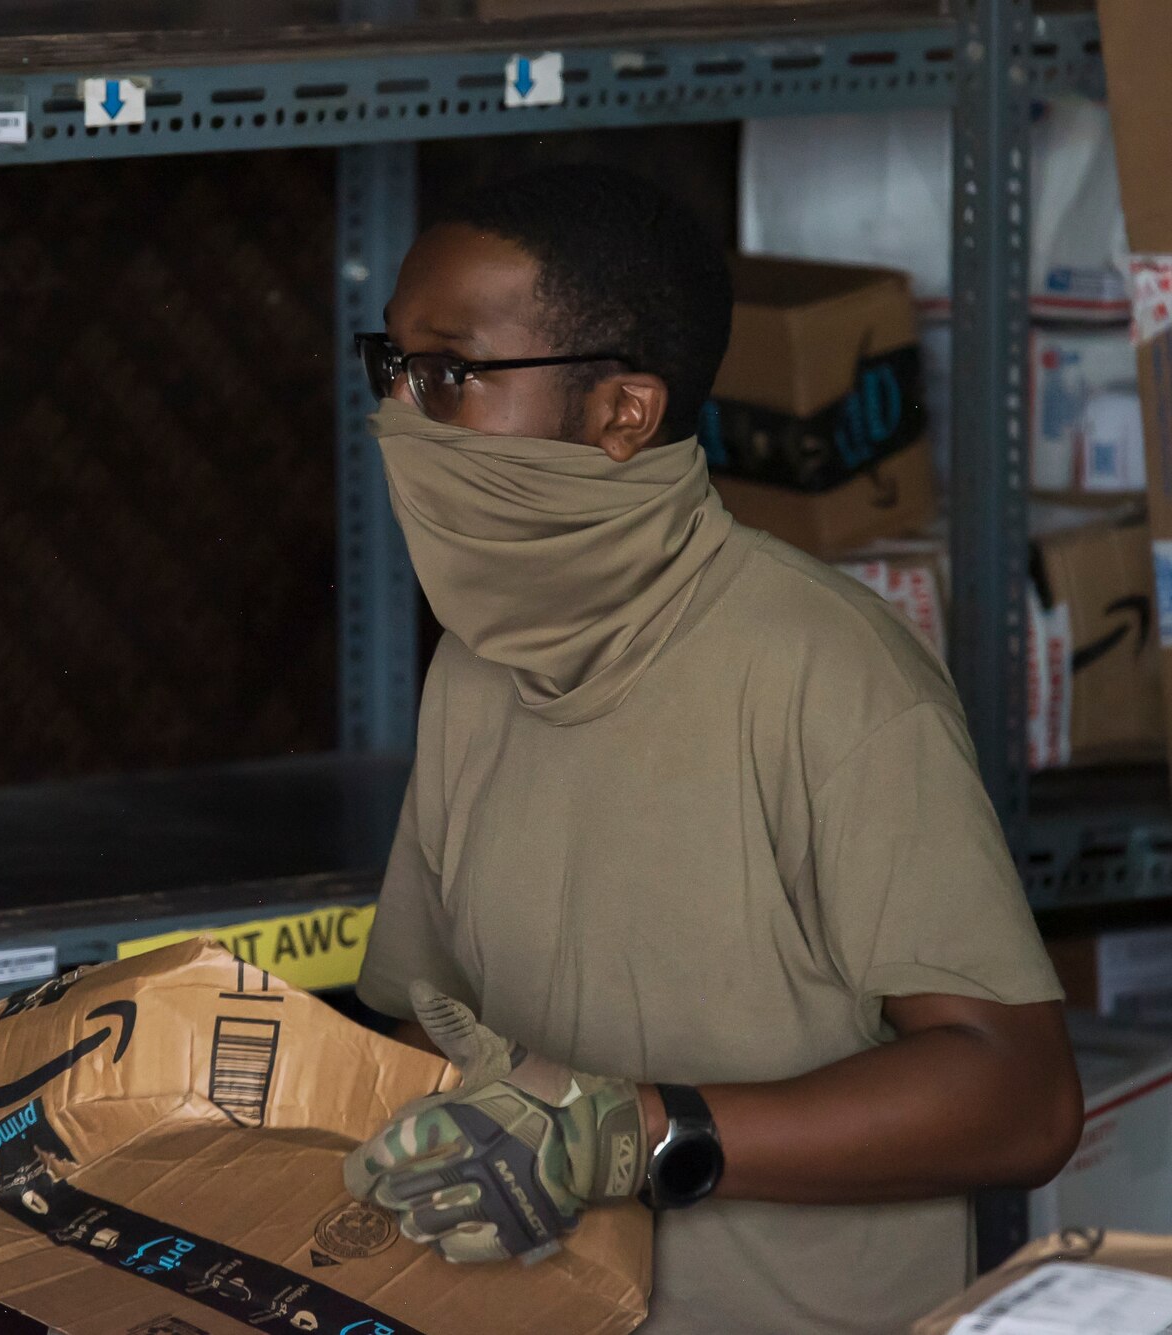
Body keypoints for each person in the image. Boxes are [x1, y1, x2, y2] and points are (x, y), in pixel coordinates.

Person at [342, 165, 1082, 1334]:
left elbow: (1018, 1096)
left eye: (446, 375)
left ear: (620, 414)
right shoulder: (476, 668)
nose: (398, 417)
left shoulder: (825, 676)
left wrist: (634, 1130)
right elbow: (424, 1027)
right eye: (389, 367)